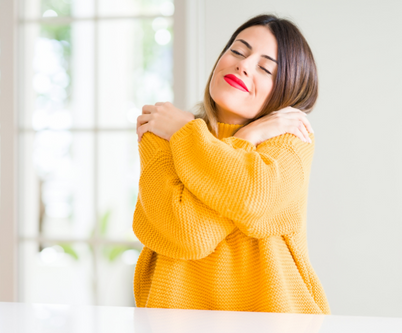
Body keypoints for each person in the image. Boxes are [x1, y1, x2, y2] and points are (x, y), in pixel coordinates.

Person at [132, 13, 331, 314]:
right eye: (238, 51)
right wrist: (244, 140)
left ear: (287, 89)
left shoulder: (290, 139)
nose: (243, 65)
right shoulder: (161, 136)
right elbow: (188, 234)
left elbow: (252, 198)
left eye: (265, 68)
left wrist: (204, 135)